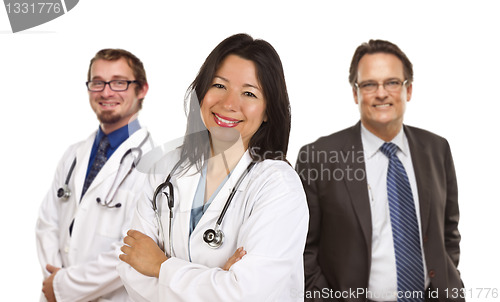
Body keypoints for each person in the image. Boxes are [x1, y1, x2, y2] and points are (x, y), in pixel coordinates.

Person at [117, 33, 309, 302]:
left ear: (268, 111)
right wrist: (217, 280)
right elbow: (131, 265)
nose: (229, 103)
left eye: (249, 93)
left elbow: (248, 294)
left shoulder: (278, 186)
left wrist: (161, 266)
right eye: (219, 86)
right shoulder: (165, 169)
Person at [295, 39, 464, 302]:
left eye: (392, 82)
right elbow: (303, 248)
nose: (381, 93)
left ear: (408, 90)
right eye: (369, 84)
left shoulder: (437, 149)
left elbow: (449, 234)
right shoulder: (319, 157)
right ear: (355, 93)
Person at [36, 48, 154, 302]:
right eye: (97, 82)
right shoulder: (73, 154)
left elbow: (131, 248)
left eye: (119, 83)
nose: (106, 92)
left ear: (141, 89)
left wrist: (65, 287)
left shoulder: (155, 168)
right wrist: (54, 279)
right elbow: (47, 222)